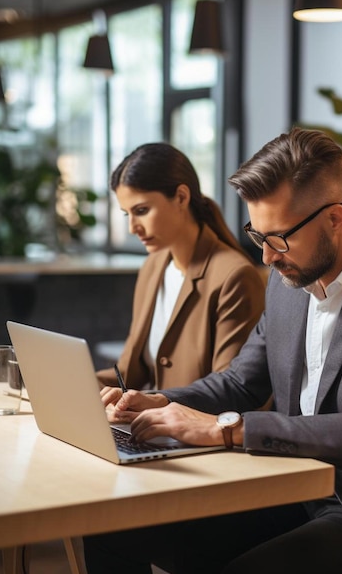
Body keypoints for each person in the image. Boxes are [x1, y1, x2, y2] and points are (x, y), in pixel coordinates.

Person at [85, 128, 342, 574]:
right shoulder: (289, 278)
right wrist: (162, 401)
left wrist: (224, 429)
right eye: (256, 234)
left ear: (335, 218)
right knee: (109, 526)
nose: (265, 256)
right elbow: (242, 381)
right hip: (293, 490)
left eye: (279, 238)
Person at [97, 142, 265, 391]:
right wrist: (74, 385)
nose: (133, 228)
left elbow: (229, 390)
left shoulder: (233, 277)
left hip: (192, 427)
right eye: (127, 214)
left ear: (181, 197)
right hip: (152, 423)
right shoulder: (153, 267)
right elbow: (129, 372)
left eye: (141, 211)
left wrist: (151, 405)